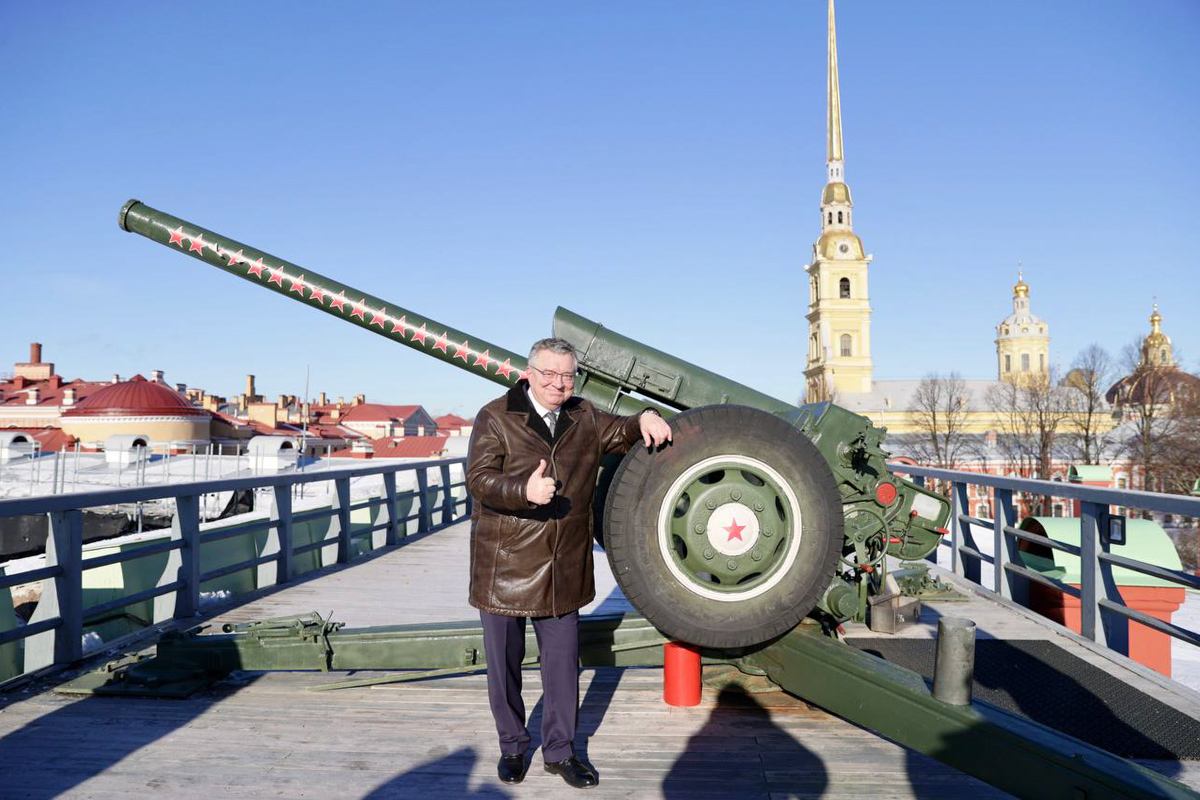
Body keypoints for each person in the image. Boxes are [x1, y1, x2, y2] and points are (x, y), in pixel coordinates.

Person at [465, 337, 672, 789]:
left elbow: (620, 432)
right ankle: (513, 746)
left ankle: (560, 752)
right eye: (550, 374)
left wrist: (645, 419)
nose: (559, 384)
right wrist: (523, 491)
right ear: (529, 373)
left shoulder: (584, 415)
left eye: (567, 375)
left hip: (563, 563)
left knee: (562, 666)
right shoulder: (495, 416)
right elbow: (479, 480)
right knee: (505, 665)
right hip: (505, 562)